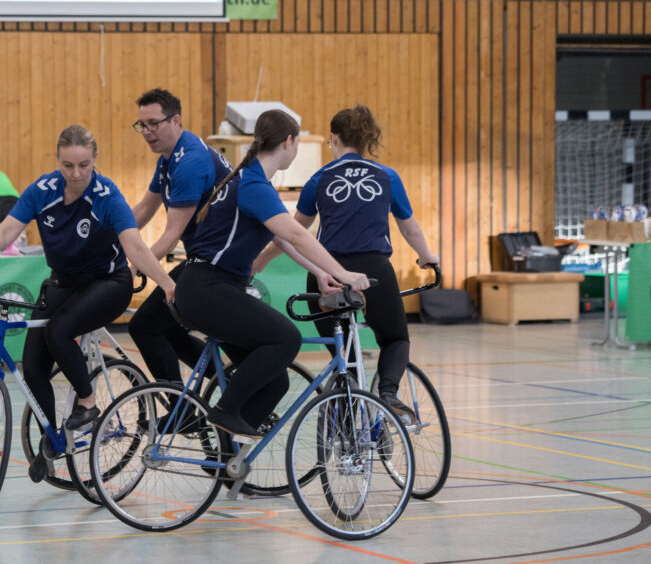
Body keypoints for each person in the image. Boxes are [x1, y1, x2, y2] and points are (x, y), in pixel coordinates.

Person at [0, 125, 176, 479]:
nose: (76, 174)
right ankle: (53, 441)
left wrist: (166, 283)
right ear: (58, 160)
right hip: (62, 283)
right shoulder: (42, 190)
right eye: (68, 165)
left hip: (108, 283)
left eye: (84, 165)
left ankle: (87, 402)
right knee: (33, 366)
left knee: (59, 331)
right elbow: (8, 229)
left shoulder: (106, 195)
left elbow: (134, 246)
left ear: (94, 160)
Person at [174, 110, 371, 439]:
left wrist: (321, 273)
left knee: (275, 380)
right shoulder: (253, 185)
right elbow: (296, 234)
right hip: (208, 289)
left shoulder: (251, 180)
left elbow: (281, 238)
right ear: (289, 142)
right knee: (287, 338)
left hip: (207, 288)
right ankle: (224, 410)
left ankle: (229, 458)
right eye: (298, 144)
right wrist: (344, 273)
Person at [255, 104, 439, 419]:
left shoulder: (319, 178)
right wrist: (427, 256)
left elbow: (294, 232)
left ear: (334, 138)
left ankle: (347, 396)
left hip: (327, 272)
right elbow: (410, 229)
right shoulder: (387, 176)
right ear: (368, 140)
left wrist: (261, 259)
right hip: (374, 272)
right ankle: (388, 394)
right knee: (395, 338)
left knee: (342, 352)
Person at [126, 88, 232, 387]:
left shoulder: (189, 163)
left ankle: (180, 407)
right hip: (205, 259)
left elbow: (171, 236)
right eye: (142, 125)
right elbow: (145, 209)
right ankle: (224, 386)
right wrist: (107, 238)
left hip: (216, 264)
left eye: (153, 124)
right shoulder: (170, 157)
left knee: (144, 327)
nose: (147, 132)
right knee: (163, 326)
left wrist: (133, 267)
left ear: (176, 121)